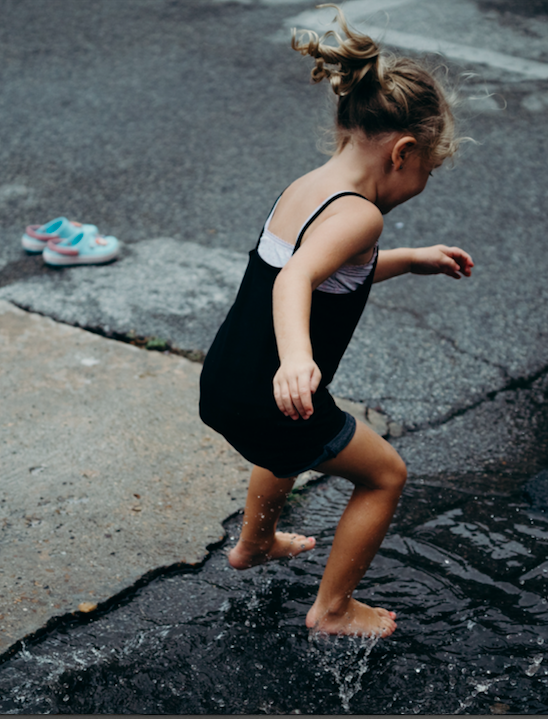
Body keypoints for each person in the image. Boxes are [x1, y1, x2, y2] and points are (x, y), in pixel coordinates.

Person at [199, 5, 474, 638]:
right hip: (273, 394)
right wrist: (298, 359)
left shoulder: (309, 188)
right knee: (385, 476)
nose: (424, 180)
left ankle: (255, 543)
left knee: (289, 436)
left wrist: (410, 259)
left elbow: (326, 273)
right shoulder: (361, 215)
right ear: (404, 152)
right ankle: (333, 610)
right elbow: (298, 278)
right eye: (429, 169)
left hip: (229, 383)